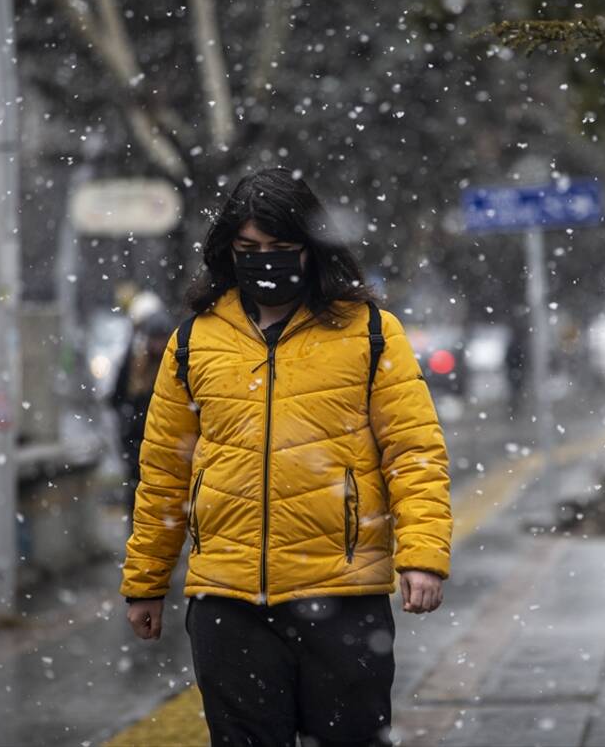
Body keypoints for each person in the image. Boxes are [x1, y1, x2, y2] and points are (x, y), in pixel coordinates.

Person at [121, 167, 453, 747]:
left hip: (344, 597)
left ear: (312, 249)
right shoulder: (194, 340)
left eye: (279, 248)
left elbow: (415, 451)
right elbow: (164, 474)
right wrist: (145, 581)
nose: (263, 261)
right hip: (228, 602)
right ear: (227, 252)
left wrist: (423, 556)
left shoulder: (371, 332)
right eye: (248, 249)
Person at [109, 307, 175, 518]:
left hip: (166, 446)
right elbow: (117, 398)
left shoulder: (176, 363)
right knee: (139, 499)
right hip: (138, 444)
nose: (158, 345)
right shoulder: (135, 363)